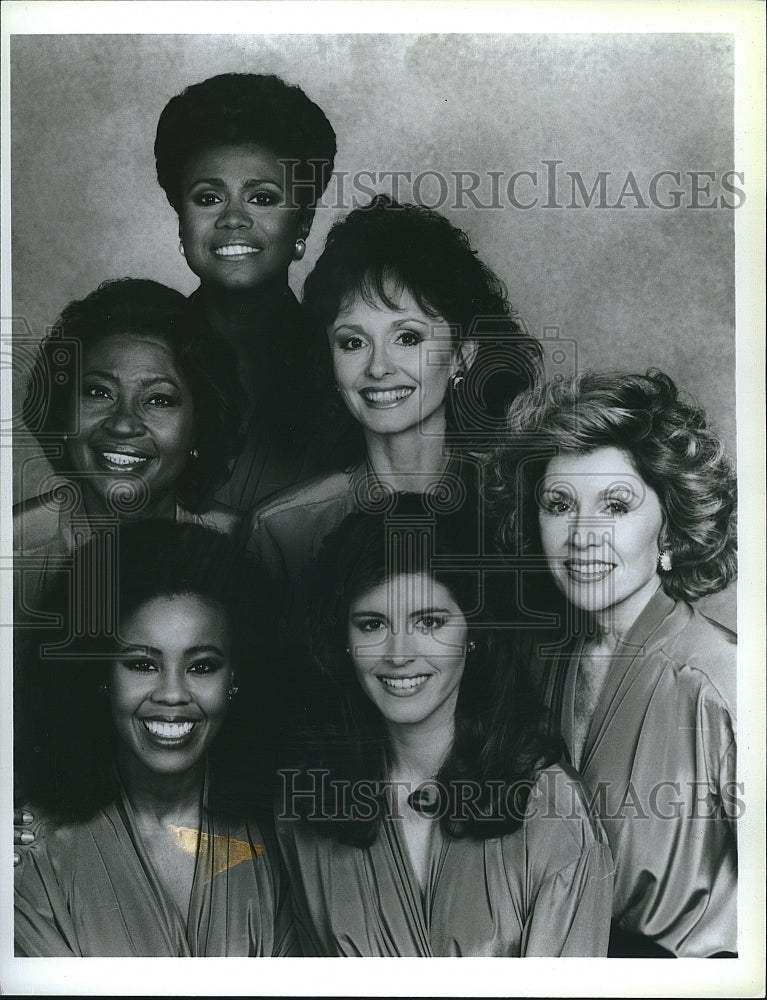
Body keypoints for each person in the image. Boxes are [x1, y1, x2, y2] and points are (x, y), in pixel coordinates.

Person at [274, 503, 615, 956]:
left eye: (429, 622)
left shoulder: (554, 811)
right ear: (343, 639)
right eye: (373, 624)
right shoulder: (304, 807)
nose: (399, 654)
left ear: (474, 631)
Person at [487, 369, 738, 957]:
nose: (583, 536)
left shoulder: (720, 678)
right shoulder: (540, 668)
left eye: (616, 505)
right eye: (559, 505)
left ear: (670, 525)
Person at [14, 520, 296, 956]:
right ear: (101, 675)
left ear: (237, 677)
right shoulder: (31, 853)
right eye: (142, 665)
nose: (172, 694)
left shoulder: (285, 839)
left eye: (202, 666)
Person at [249, 194, 542, 605]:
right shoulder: (285, 530)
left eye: (407, 338)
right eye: (353, 343)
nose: (378, 367)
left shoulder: (521, 508)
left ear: (463, 353)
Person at [154, 73, 339, 508]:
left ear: (304, 223)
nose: (233, 218)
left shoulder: (348, 356)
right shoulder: (142, 351)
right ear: (182, 221)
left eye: (262, 198)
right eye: (207, 198)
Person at [13, 278, 244, 620]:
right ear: (63, 410)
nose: (123, 423)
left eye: (159, 399)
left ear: (200, 427)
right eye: (99, 392)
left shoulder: (243, 545)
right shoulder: (11, 550)